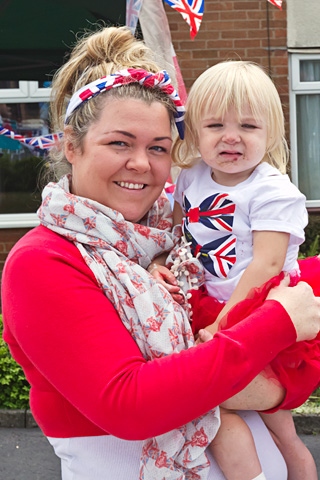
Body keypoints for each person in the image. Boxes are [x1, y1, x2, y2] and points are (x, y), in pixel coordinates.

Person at [1, 26, 320, 480]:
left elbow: (290, 376)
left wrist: (281, 384)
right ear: (71, 146)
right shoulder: (43, 260)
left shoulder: (169, 242)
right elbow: (131, 406)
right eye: (119, 143)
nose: (141, 164)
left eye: (158, 148)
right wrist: (275, 327)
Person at [149, 60, 320, 480]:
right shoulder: (191, 177)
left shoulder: (273, 191)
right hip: (208, 306)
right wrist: (156, 261)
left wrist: (225, 325)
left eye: (248, 125)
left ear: (271, 134)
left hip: (262, 314)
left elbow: (266, 265)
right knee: (231, 413)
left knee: (281, 431)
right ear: (192, 133)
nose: (231, 137)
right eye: (214, 126)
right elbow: (175, 232)